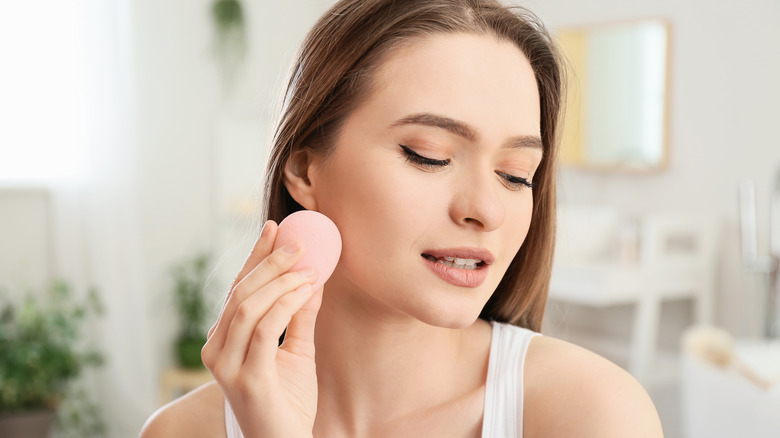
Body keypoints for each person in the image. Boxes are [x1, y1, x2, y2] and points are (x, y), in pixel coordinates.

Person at [140, 0, 664, 436]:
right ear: (304, 168)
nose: (485, 209)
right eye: (428, 154)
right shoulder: (181, 432)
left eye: (516, 174)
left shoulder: (592, 414)